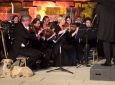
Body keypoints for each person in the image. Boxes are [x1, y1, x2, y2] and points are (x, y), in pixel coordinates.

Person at [91, 0, 115, 66]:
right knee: (114, 44)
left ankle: (108, 61)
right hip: (114, 27)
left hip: (105, 28)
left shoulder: (99, 5)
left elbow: (97, 17)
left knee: (106, 43)